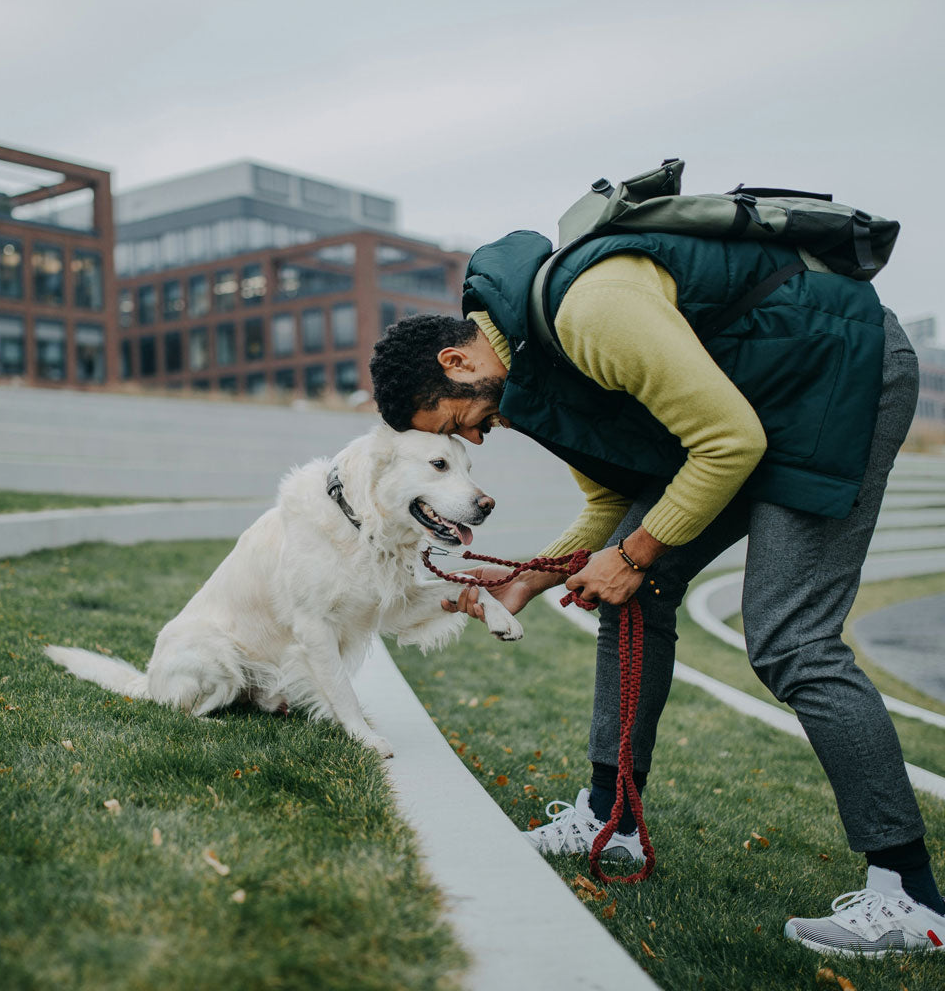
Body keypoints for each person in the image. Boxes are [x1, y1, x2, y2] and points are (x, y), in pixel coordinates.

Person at [368, 225, 945, 955]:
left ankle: (910, 895)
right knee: (630, 592)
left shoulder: (592, 313)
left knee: (791, 639)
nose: (476, 438)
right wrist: (527, 579)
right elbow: (608, 503)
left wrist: (635, 555)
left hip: (840, 371)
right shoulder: (532, 368)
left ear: (457, 361)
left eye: (458, 421)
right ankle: (614, 820)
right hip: (759, 403)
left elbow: (729, 444)